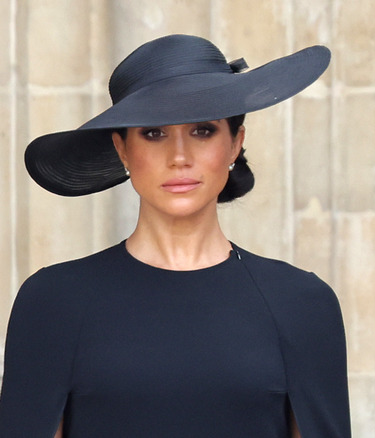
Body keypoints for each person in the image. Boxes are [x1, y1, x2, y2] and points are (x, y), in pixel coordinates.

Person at [0, 34, 350, 437]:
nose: (179, 157)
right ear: (122, 149)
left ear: (235, 144)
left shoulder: (301, 303)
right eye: (154, 133)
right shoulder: (54, 301)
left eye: (202, 130)